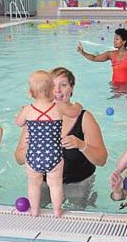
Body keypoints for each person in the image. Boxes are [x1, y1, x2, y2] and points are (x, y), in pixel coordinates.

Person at [15, 67, 107, 210]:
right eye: (53, 85)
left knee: (76, 215)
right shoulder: (35, 118)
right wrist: (30, 146)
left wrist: (81, 145)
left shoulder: (84, 118)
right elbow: (19, 159)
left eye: (63, 85)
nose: (57, 90)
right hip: (45, 183)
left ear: (71, 89)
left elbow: (102, 160)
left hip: (78, 183)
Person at [15, 70, 82, 217]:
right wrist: (78, 105)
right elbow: (74, 113)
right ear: (52, 89)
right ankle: (57, 211)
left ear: (29, 92)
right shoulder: (58, 107)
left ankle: (34, 211)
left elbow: (19, 123)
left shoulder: (28, 110)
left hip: (33, 155)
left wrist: (20, 115)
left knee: (34, 184)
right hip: (54, 155)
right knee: (55, 184)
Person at [76, 28, 127, 99]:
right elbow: (94, 58)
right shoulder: (111, 54)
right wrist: (82, 52)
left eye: (117, 39)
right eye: (114, 39)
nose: (114, 41)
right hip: (114, 84)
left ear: (124, 42)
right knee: (112, 101)